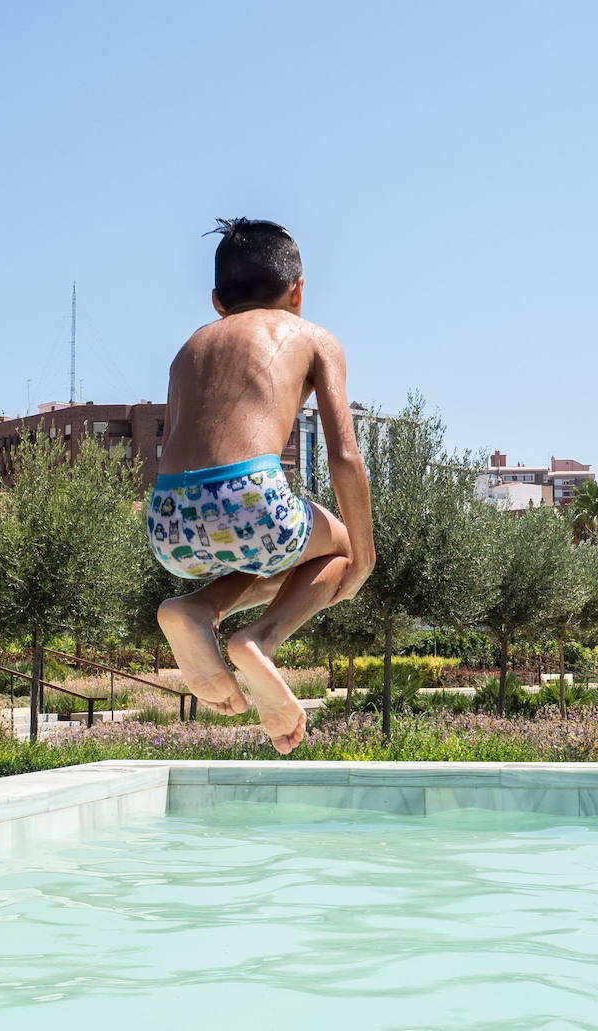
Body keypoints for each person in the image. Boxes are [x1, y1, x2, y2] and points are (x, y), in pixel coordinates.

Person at [149, 218, 375, 753]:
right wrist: (364, 557)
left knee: (269, 556)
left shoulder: (189, 349)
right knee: (336, 547)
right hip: (248, 498)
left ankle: (197, 607)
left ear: (216, 300)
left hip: (167, 518)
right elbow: (344, 456)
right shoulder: (312, 336)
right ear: (297, 290)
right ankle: (258, 641)